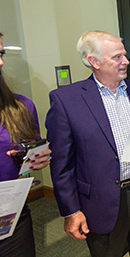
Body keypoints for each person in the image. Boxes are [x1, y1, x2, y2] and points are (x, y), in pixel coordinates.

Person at [46, 31, 130, 257]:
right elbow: (62, 165)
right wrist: (71, 211)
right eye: (117, 57)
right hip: (101, 202)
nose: (126, 61)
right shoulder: (66, 101)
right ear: (94, 61)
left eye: (125, 55)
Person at [0, 32, 51, 256]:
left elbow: (29, 152)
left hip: (11, 215)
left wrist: (35, 158)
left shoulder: (21, 107)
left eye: (1, 53)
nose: (1, 62)